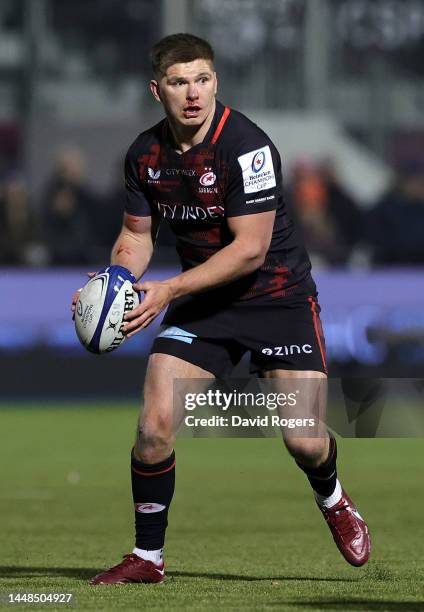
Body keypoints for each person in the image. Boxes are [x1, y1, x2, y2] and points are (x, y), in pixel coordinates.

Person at [72, 33, 371, 585]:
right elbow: (136, 237)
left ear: (216, 82)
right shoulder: (144, 155)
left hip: (276, 298)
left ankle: (331, 496)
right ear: (156, 88)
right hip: (204, 304)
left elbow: (250, 250)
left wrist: (166, 290)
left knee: (304, 440)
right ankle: (148, 558)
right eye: (181, 82)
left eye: (203, 79)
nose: (193, 94)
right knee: (155, 424)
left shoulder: (246, 145)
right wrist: (114, 280)